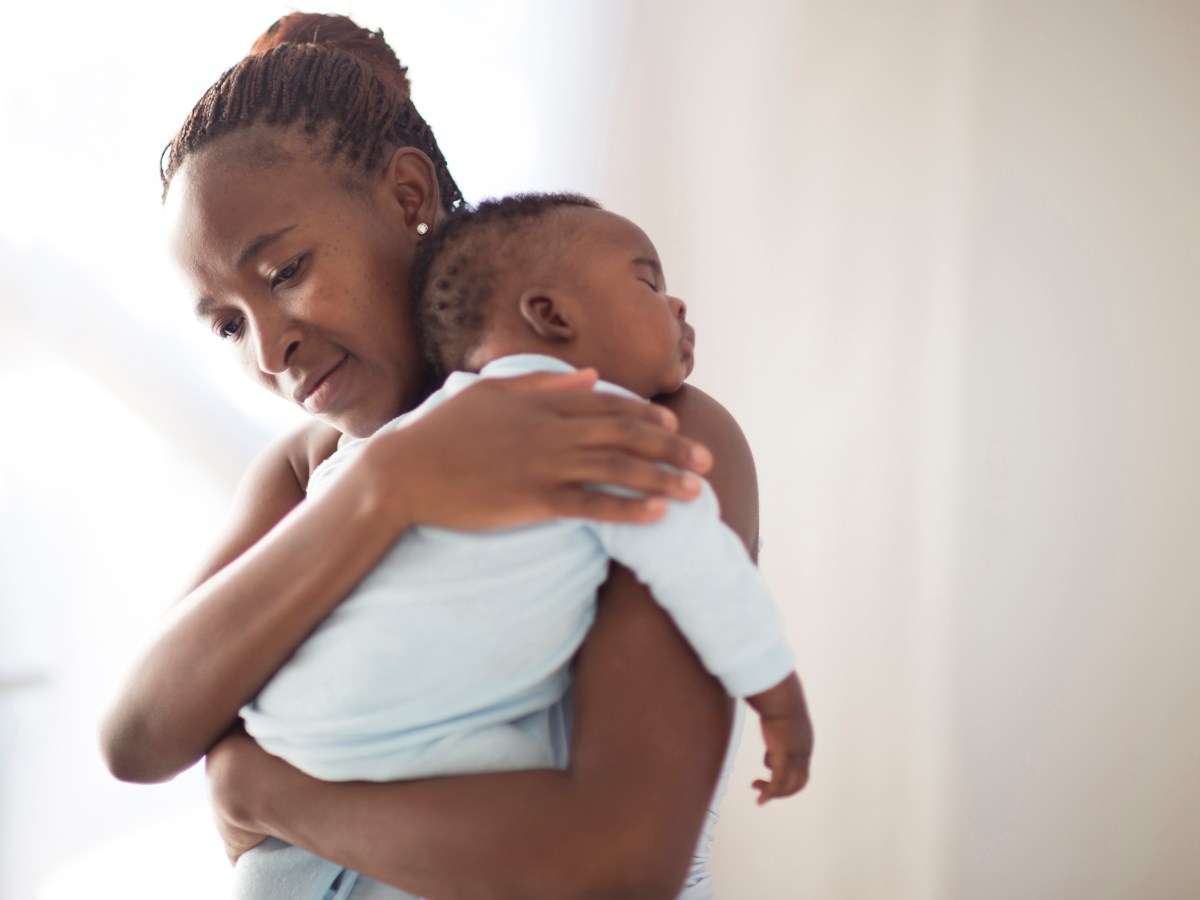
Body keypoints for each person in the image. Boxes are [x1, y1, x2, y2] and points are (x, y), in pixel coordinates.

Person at [98, 13, 812, 900]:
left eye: (283, 272)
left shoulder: (644, 427)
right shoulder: (305, 473)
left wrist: (259, 789)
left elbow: (622, 862)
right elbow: (136, 736)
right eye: (228, 324)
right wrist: (387, 489)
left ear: (407, 197)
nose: (268, 350)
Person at [233, 191, 811, 898]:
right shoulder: (601, 428)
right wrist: (778, 699)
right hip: (406, 768)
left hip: (287, 744)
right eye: (649, 281)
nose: (678, 306)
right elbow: (705, 572)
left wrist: (244, 785)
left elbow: (168, 742)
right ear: (551, 315)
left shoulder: (373, 456)